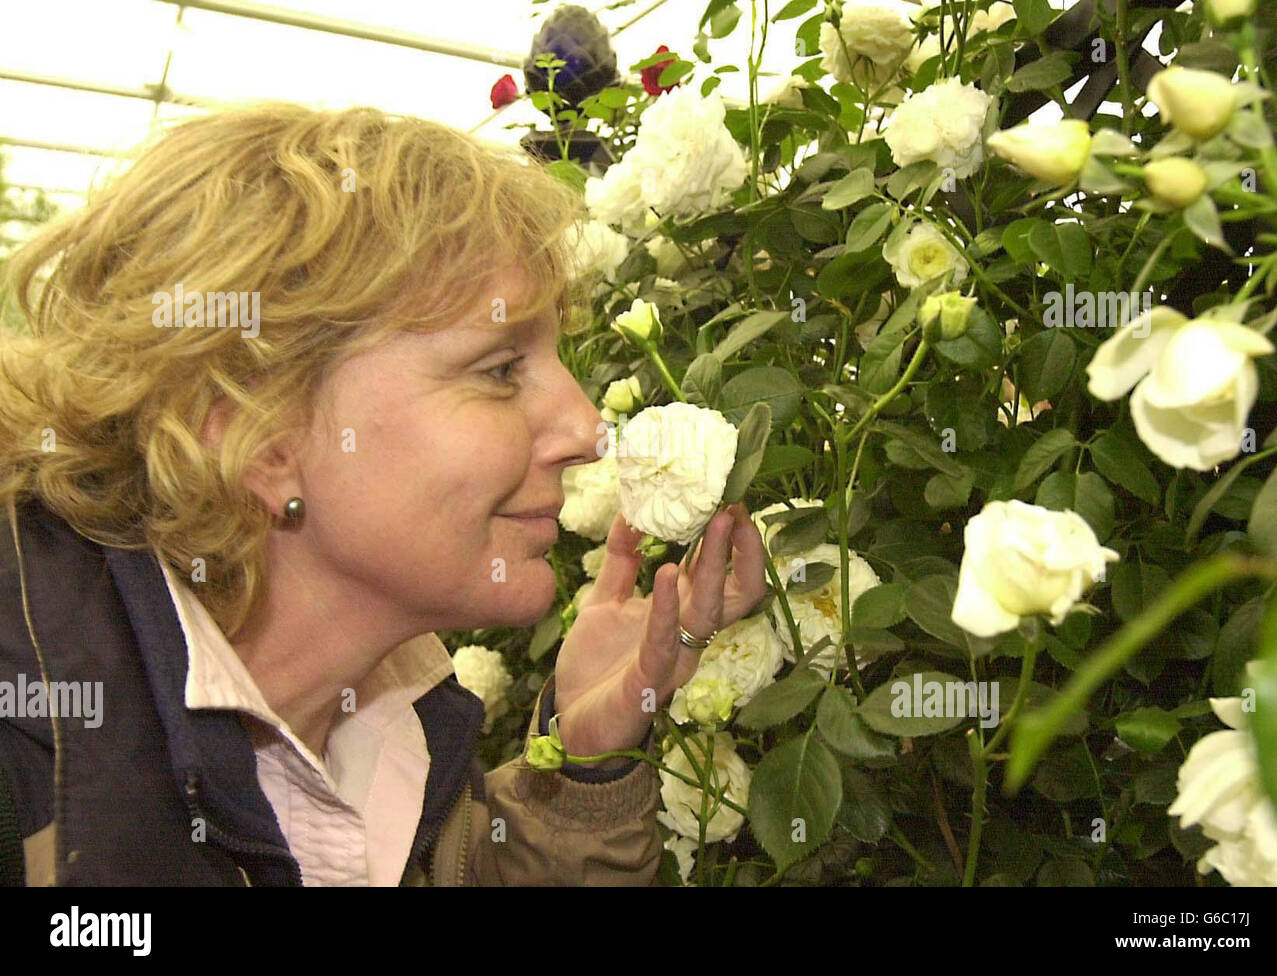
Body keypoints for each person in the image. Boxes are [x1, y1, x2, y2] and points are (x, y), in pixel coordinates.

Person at [0, 103, 767, 885]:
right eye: (500, 368)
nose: (585, 427)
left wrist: (583, 761)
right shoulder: (24, 771)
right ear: (260, 442)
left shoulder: (401, 724)